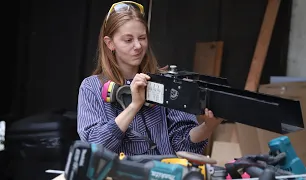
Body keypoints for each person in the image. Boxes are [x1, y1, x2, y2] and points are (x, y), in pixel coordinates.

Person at [77, 1, 222, 156]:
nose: (138, 46)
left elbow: (183, 145)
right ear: (110, 43)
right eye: (128, 40)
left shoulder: (166, 83)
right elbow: (93, 146)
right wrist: (134, 106)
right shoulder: (91, 87)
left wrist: (208, 127)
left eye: (142, 37)